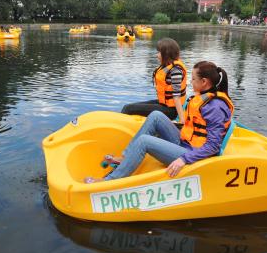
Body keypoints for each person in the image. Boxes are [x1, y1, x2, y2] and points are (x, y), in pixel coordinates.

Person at [85, 61, 234, 183]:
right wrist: (172, 125)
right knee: (156, 115)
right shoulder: (203, 96)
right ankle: (125, 158)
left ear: (204, 82)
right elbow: (195, 127)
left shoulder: (215, 107)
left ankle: (110, 180)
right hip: (186, 143)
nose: (190, 82)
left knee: (144, 141)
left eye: (193, 79)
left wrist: (183, 159)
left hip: (194, 156)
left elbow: (213, 147)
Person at [121, 38, 187, 121]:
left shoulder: (175, 70)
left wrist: (182, 121)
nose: (157, 55)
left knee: (128, 109)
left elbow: (176, 97)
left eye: (159, 52)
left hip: (171, 110)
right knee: (128, 106)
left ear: (166, 54)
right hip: (163, 104)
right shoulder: (166, 67)